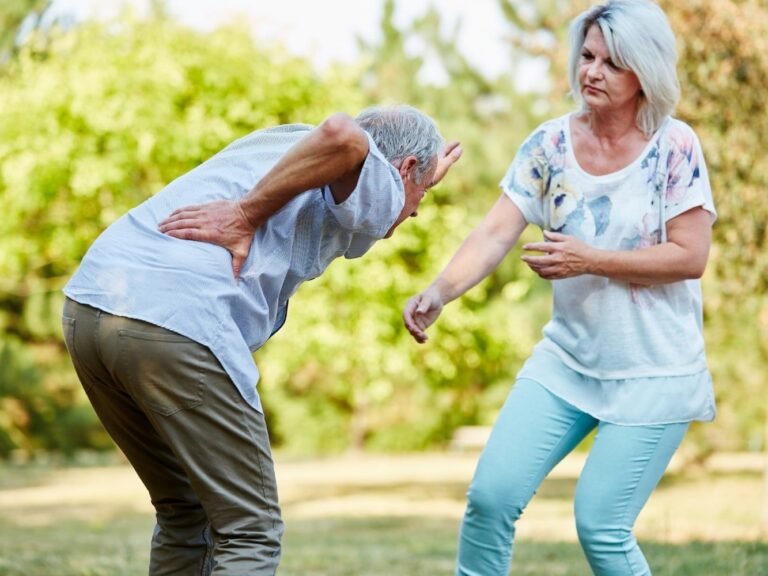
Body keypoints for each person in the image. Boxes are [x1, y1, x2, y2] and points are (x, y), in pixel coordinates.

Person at [61, 105, 462, 575]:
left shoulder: (282, 143)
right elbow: (344, 135)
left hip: (93, 307)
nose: (414, 210)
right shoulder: (371, 166)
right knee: (249, 528)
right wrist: (245, 214)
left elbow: (344, 151)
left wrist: (422, 176)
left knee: (183, 510)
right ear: (405, 168)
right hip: (174, 321)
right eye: (423, 194)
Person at [403, 1, 715, 574]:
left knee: (601, 526)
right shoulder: (549, 145)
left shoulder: (675, 147)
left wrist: (589, 258)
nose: (590, 71)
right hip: (568, 362)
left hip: (654, 370)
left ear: (643, 72)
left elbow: (690, 256)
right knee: (490, 499)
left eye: (611, 63)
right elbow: (497, 230)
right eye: (588, 56)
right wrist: (440, 290)